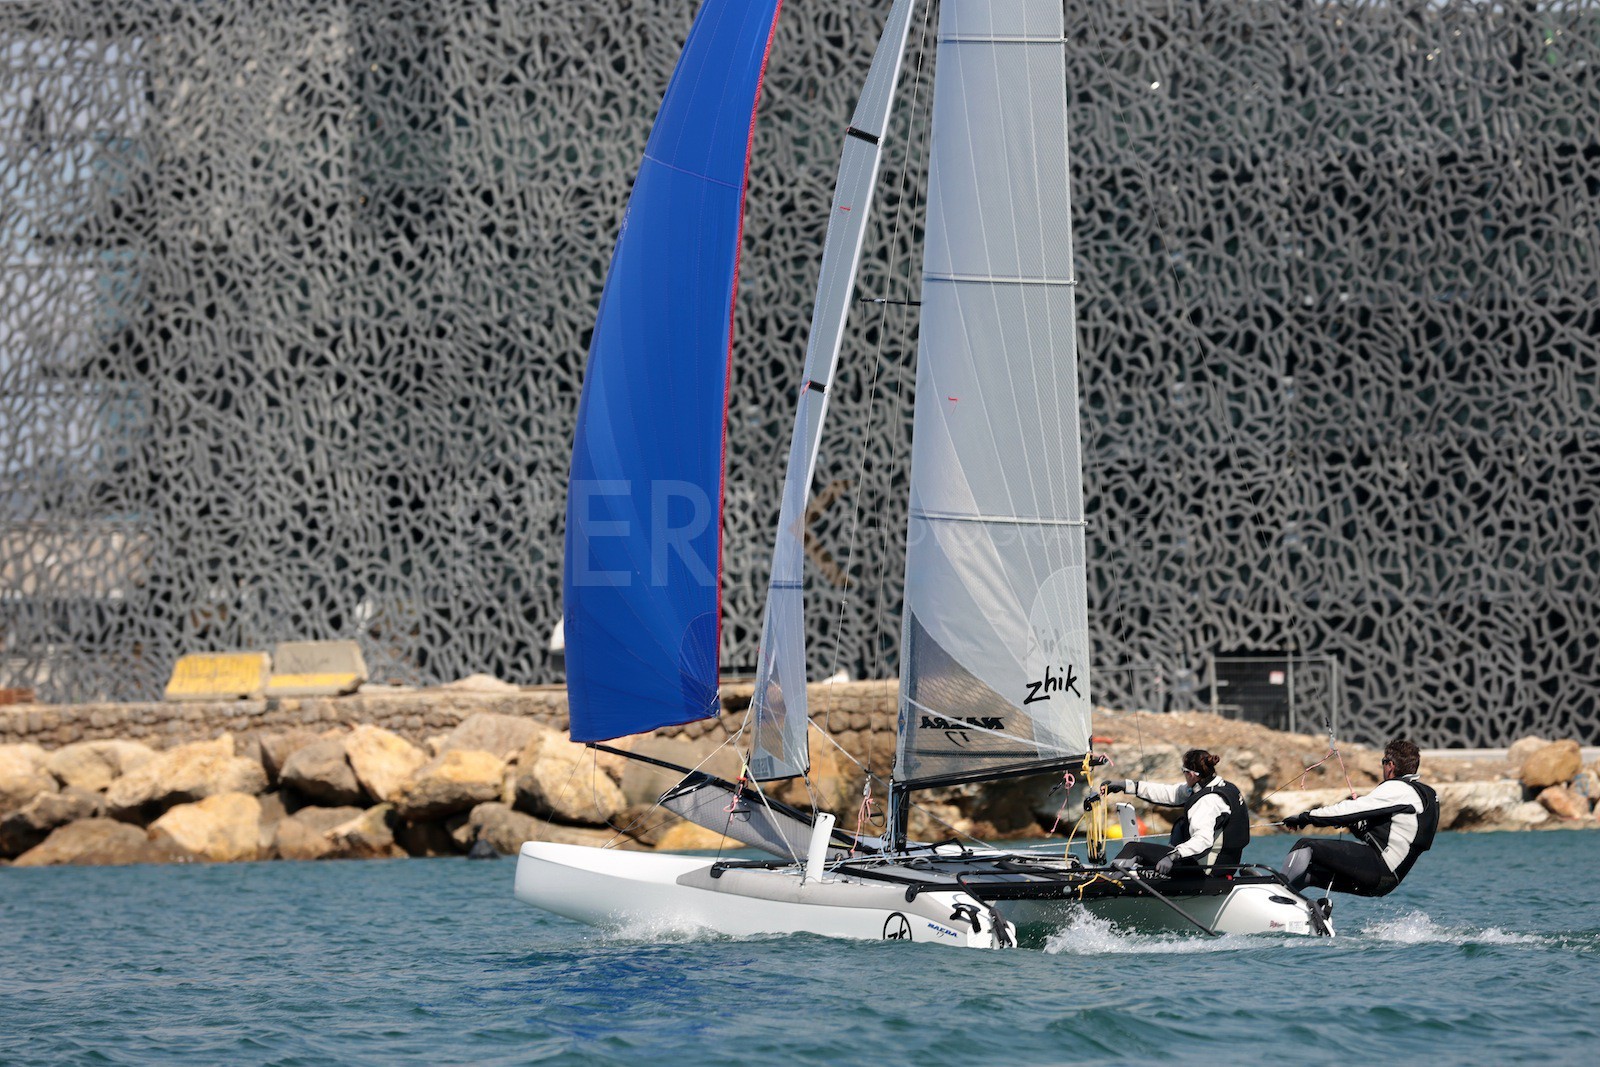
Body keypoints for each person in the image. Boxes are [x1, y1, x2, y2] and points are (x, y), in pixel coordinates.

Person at [1280, 738, 1439, 897]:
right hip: (1387, 880)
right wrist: (1357, 825)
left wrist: (1305, 817)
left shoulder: (1399, 789)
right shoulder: (1426, 795)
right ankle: (1293, 915)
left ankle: (1277, 896)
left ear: (1390, 765)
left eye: (1383, 762)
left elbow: (1348, 810)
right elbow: (1390, 835)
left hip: (1379, 868)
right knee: (1309, 874)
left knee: (1305, 846)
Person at [1095, 748, 1249, 876]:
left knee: (1133, 848)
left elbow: (1203, 840)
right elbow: (1168, 793)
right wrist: (1126, 786)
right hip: (1223, 866)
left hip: (1205, 871)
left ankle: (1106, 882)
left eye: (1183, 771)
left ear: (1191, 774)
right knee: (1182, 824)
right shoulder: (1221, 786)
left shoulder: (1207, 801)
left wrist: (1172, 856)